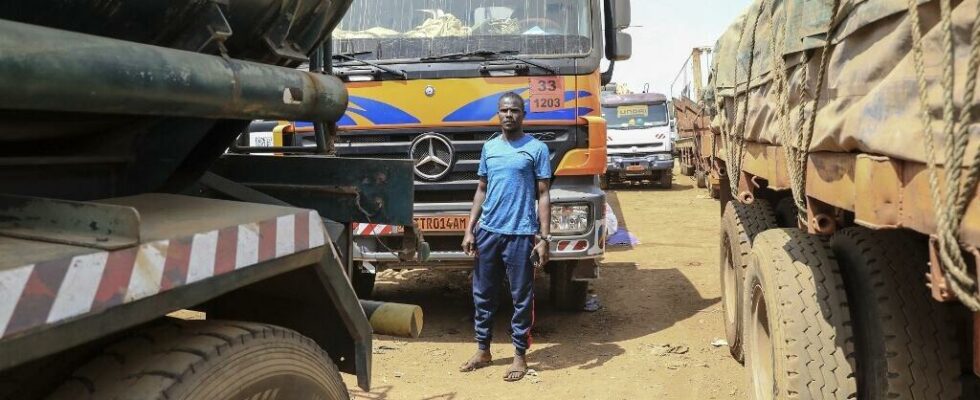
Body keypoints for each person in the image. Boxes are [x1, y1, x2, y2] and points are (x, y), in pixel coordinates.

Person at [458, 92, 552, 382]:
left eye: (514, 110)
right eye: (504, 111)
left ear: (523, 115)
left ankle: (519, 356)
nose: (509, 115)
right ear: (498, 115)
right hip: (488, 232)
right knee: (482, 293)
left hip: (521, 233)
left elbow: (544, 194)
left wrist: (544, 237)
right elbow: (481, 190)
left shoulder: (536, 149)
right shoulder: (490, 148)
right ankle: (483, 349)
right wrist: (469, 228)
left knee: (521, 297)